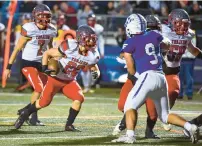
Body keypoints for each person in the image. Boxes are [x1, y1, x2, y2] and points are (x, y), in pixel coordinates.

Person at [111, 13, 199, 144]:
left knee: (129, 105)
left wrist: (137, 75)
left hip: (147, 76)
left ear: (130, 27)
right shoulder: (154, 35)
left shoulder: (129, 42)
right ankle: (189, 126)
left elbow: (130, 68)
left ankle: (130, 136)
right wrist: (160, 52)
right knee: (164, 115)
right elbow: (167, 43)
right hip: (161, 77)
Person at [14, 25, 100, 131]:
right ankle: (25, 114)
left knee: (79, 98)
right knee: (44, 102)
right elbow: (47, 53)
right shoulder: (69, 46)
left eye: (93, 39)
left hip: (70, 81)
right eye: (89, 39)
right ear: (80, 38)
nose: (91, 42)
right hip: (56, 78)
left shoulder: (92, 55)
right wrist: (45, 68)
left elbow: (93, 66)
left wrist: (96, 72)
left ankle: (69, 125)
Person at [3, 4, 57, 126]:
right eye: (41, 16)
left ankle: (25, 110)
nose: (44, 19)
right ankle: (32, 117)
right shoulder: (29, 28)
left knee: (47, 91)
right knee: (38, 89)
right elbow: (17, 49)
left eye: (47, 16)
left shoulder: (52, 29)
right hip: (28, 63)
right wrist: (8, 68)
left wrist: (53, 60)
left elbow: (50, 47)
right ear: (35, 16)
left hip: (41, 63)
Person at [112, 15, 162, 139]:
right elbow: (123, 54)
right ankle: (126, 122)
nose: (152, 30)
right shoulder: (135, 40)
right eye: (150, 27)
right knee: (123, 105)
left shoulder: (156, 38)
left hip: (150, 79)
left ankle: (148, 131)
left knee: (153, 114)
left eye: (154, 27)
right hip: (135, 79)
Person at [81, 14, 104, 93]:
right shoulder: (83, 28)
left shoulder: (99, 28)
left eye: (92, 20)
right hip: (86, 50)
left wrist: (102, 51)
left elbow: (101, 40)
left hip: (94, 51)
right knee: (85, 69)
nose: (91, 22)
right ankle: (86, 86)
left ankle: (89, 85)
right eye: (89, 20)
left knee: (93, 70)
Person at [178, 33, 196, 100]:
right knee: (180, 77)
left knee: (189, 78)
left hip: (189, 59)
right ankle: (180, 94)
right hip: (180, 58)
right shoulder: (178, 33)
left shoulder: (192, 34)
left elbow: (195, 45)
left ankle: (189, 94)